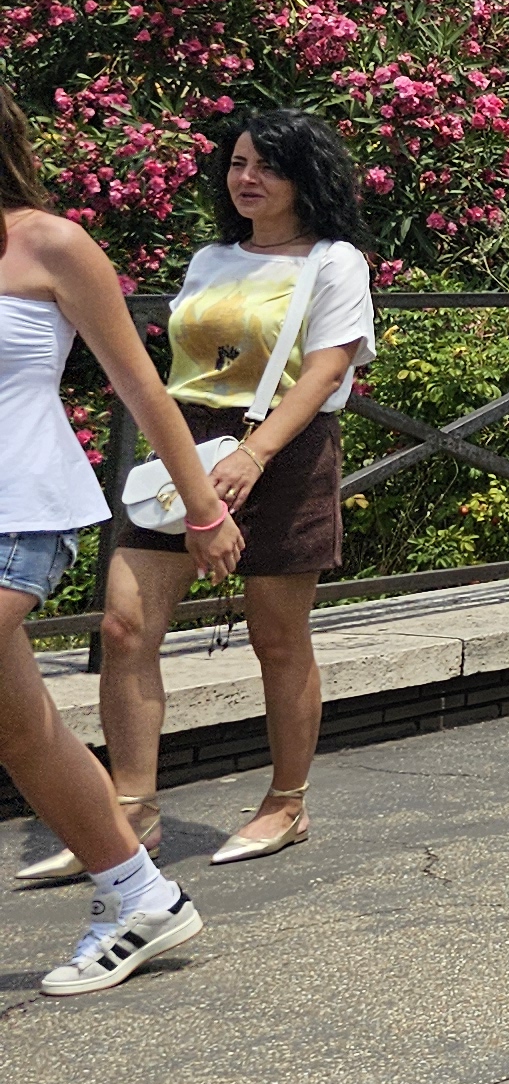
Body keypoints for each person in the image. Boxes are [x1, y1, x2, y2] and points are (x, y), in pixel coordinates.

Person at [86, 110, 374, 876]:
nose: (246, 179)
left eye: (267, 167)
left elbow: (327, 368)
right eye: (238, 163)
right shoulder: (211, 256)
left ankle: (286, 800)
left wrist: (255, 453)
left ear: (304, 178)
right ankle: (131, 810)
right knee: (124, 626)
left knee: (277, 638)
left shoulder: (335, 261)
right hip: (186, 444)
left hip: (281, 447)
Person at [0, 88, 242, 996]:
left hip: (21, 507)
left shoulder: (50, 243)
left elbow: (143, 390)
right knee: (23, 733)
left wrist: (204, 511)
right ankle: (138, 894)